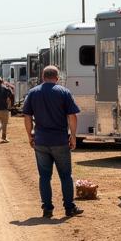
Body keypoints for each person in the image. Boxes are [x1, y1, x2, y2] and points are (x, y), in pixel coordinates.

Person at [22, 66, 84, 219]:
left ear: (43, 77)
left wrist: (30, 135)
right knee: (65, 176)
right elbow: (72, 116)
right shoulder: (63, 92)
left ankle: (47, 209)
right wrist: (73, 136)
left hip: (41, 140)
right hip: (60, 141)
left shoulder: (33, 92)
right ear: (57, 77)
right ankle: (69, 207)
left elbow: (27, 116)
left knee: (44, 176)